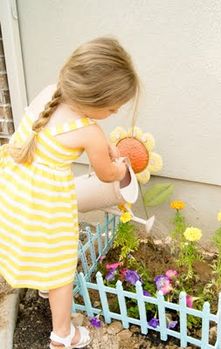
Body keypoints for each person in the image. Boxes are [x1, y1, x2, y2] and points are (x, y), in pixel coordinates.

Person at [0, 37, 139, 348]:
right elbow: (106, 174)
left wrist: (104, 146)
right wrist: (120, 167)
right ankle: (63, 335)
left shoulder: (50, 92)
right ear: (93, 100)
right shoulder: (90, 132)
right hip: (46, 202)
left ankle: (43, 286)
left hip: (16, 189)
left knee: (38, 247)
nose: (115, 112)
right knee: (61, 265)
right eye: (112, 107)